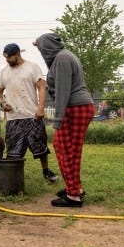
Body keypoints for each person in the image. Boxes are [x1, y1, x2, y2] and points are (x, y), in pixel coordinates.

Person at [34, 33, 94, 208]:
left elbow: (63, 91)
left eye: (41, 48)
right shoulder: (63, 56)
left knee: (64, 149)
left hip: (74, 107)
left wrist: (58, 119)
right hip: (78, 106)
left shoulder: (62, 59)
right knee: (69, 150)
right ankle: (74, 188)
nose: (41, 52)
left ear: (47, 47)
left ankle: (73, 196)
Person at [0, 43, 59, 183]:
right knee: (13, 149)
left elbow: (42, 87)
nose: (7, 60)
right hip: (13, 118)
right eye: (5, 58)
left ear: (17, 54)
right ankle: (14, 176)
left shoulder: (32, 67)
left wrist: (41, 107)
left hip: (32, 115)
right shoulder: (4, 72)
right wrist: (2, 103)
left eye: (9, 57)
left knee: (40, 146)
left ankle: (46, 171)